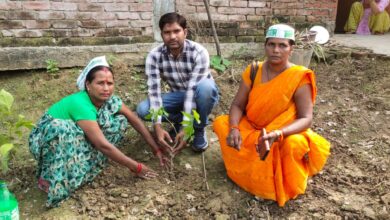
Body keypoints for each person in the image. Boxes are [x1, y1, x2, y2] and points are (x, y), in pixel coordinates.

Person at [213, 24, 331, 207]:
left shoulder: (299, 77)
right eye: (271, 44)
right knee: (222, 123)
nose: (276, 50)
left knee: (295, 144)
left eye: (282, 45)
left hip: (281, 132)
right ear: (265, 46)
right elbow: (237, 104)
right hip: (252, 127)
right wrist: (235, 128)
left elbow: (306, 118)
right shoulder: (253, 70)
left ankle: (284, 182)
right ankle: (244, 174)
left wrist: (278, 134)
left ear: (291, 48)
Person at [29, 56, 167, 207]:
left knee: (119, 120)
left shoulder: (110, 101)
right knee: (61, 128)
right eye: (100, 83)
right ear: (88, 85)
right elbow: (102, 145)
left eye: (110, 83)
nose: (106, 88)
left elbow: (134, 120)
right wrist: (137, 167)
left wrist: (156, 149)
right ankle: (48, 178)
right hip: (48, 140)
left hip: (78, 136)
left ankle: (90, 162)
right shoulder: (81, 103)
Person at [136, 12, 219, 154]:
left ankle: (198, 128)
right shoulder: (154, 56)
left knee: (206, 88)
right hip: (178, 96)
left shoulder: (199, 52)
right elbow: (154, 92)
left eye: (176, 31)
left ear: (185, 32)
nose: (172, 36)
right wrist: (157, 126)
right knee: (143, 109)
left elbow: (192, 91)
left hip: (200, 95)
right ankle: (183, 121)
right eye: (167, 32)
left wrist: (186, 128)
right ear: (161, 35)